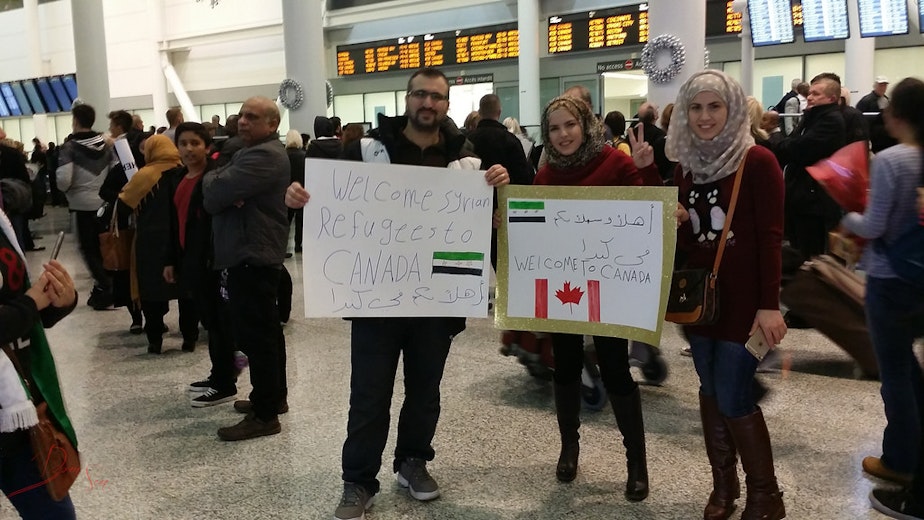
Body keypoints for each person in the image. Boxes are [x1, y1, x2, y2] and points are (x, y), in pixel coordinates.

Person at [284, 67, 509, 520]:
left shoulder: (467, 164)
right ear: (408, 99)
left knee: (425, 389)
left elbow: (483, 228)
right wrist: (297, 197)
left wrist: (496, 194)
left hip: (435, 299)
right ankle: (358, 481)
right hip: (376, 298)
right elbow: (328, 201)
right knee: (369, 392)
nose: (429, 103)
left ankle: (413, 462)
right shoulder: (365, 151)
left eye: (438, 97)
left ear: (447, 105)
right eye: (421, 95)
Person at [667, 70, 788, 520]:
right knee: (710, 390)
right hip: (703, 303)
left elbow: (771, 238)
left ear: (733, 108)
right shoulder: (685, 167)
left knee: (735, 395)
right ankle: (724, 488)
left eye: (714, 106)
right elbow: (689, 247)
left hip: (746, 304)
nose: (704, 117)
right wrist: (675, 218)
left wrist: (769, 305)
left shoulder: (757, 161)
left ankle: (766, 495)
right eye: (695, 108)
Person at [534, 95, 661, 501]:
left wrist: (648, 170)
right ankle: (569, 447)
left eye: (569, 124)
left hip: (610, 288)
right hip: (564, 289)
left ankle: (636, 462)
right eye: (554, 128)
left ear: (585, 123)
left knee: (615, 369)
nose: (563, 134)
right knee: (566, 366)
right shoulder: (546, 173)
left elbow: (649, 213)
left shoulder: (615, 162)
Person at [841, 77, 924, 489]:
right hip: (920, 276)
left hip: (890, 279)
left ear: (898, 114)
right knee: (909, 368)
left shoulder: (893, 161)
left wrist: (844, 216)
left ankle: (900, 458)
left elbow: (874, 225)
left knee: (894, 371)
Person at [203, 96, 289, 441]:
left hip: (251, 254)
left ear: (272, 125)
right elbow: (220, 188)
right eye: (241, 115)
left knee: (257, 337)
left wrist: (218, 181)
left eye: (252, 117)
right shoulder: (249, 152)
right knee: (266, 334)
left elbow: (211, 194)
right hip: (250, 252)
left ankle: (265, 415)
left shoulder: (264, 155)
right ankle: (270, 398)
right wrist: (222, 183)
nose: (242, 122)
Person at [0, 206, 79, 519]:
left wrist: (59, 300)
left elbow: (16, 301)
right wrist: (33, 301)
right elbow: (25, 303)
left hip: (17, 410)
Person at [162, 122, 239, 407]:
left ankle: (225, 382)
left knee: (219, 323)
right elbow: (174, 223)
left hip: (212, 261)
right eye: (183, 143)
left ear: (207, 147)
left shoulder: (214, 178)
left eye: (195, 143)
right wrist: (171, 259)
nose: (189, 148)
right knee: (210, 319)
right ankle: (218, 373)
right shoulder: (179, 178)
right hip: (189, 260)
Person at [117, 134, 187, 354]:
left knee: (151, 290)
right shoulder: (185, 173)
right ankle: (190, 337)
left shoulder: (144, 176)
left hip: (151, 240)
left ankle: (155, 340)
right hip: (183, 238)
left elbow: (122, 206)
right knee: (187, 289)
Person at [777, 73, 847, 260]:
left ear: (832, 98)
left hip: (815, 203)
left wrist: (775, 137)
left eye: (816, 94)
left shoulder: (830, 121)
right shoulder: (811, 118)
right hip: (801, 198)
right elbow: (792, 145)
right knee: (797, 252)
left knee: (810, 256)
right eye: (810, 93)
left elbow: (797, 148)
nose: (809, 97)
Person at [56, 103, 118, 310]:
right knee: (105, 246)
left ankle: (105, 286)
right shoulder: (108, 144)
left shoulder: (70, 148)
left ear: (75, 121)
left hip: (81, 205)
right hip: (105, 203)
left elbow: (64, 179)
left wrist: (68, 192)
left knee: (88, 248)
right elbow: (116, 171)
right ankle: (111, 286)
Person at [467, 93, 535, 267]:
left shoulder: (467, 141)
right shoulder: (511, 141)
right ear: (499, 111)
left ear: (480, 112)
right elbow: (525, 182)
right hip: (504, 218)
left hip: (471, 221)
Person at [857, 76, 897, 153]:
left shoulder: (887, 100)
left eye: (885, 85)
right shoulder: (866, 101)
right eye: (881, 85)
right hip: (873, 137)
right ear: (875, 86)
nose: (883, 88)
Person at [285, 130, 307, 256]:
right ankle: (298, 245)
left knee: (285, 222)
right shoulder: (304, 155)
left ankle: (283, 249)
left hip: (285, 193)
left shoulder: (282, 156)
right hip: (301, 191)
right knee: (300, 221)